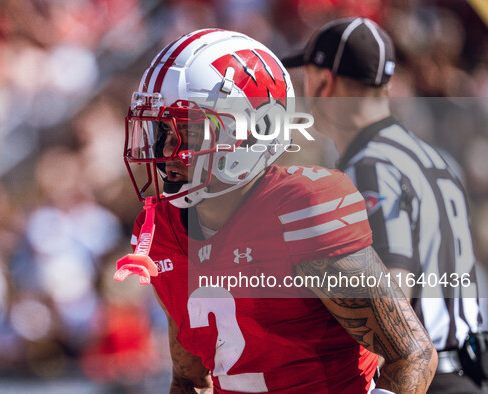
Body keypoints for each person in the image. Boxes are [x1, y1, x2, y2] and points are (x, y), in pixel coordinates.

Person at [115, 28, 437, 393]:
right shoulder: (163, 231)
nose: (167, 150)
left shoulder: (302, 210)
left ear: (258, 128)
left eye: (188, 130)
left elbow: (413, 354)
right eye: (161, 130)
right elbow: (189, 379)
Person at [282, 17, 482, 393]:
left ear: (324, 80)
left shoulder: (370, 167)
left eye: (306, 75)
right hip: (466, 370)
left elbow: (393, 289)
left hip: (424, 380)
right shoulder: (431, 156)